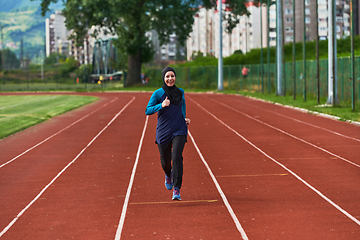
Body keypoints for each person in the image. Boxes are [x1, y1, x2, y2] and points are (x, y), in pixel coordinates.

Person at [145, 66, 190, 200]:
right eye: (167, 76)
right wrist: (161, 105)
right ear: (164, 79)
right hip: (164, 130)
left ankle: (177, 189)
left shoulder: (180, 92)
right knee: (165, 162)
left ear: (175, 77)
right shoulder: (158, 94)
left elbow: (182, 105)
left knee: (176, 156)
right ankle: (168, 174)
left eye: (172, 76)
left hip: (179, 128)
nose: (170, 79)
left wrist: (184, 118)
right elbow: (148, 110)